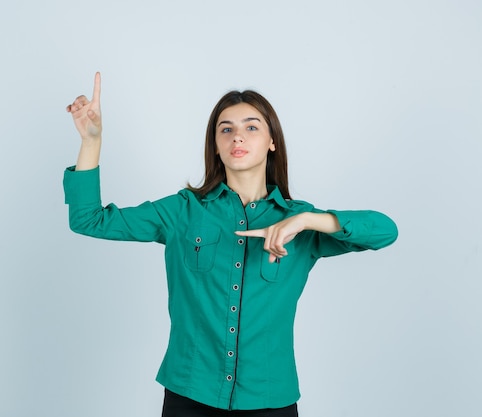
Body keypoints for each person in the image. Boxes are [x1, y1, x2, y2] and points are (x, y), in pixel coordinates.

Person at [63, 72, 398, 417]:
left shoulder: (301, 223)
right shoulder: (183, 210)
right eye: (226, 129)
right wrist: (91, 140)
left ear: (272, 142)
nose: (237, 135)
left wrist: (308, 220)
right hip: (190, 395)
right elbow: (89, 220)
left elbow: (386, 231)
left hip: (270, 400)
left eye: (252, 127)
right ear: (216, 145)